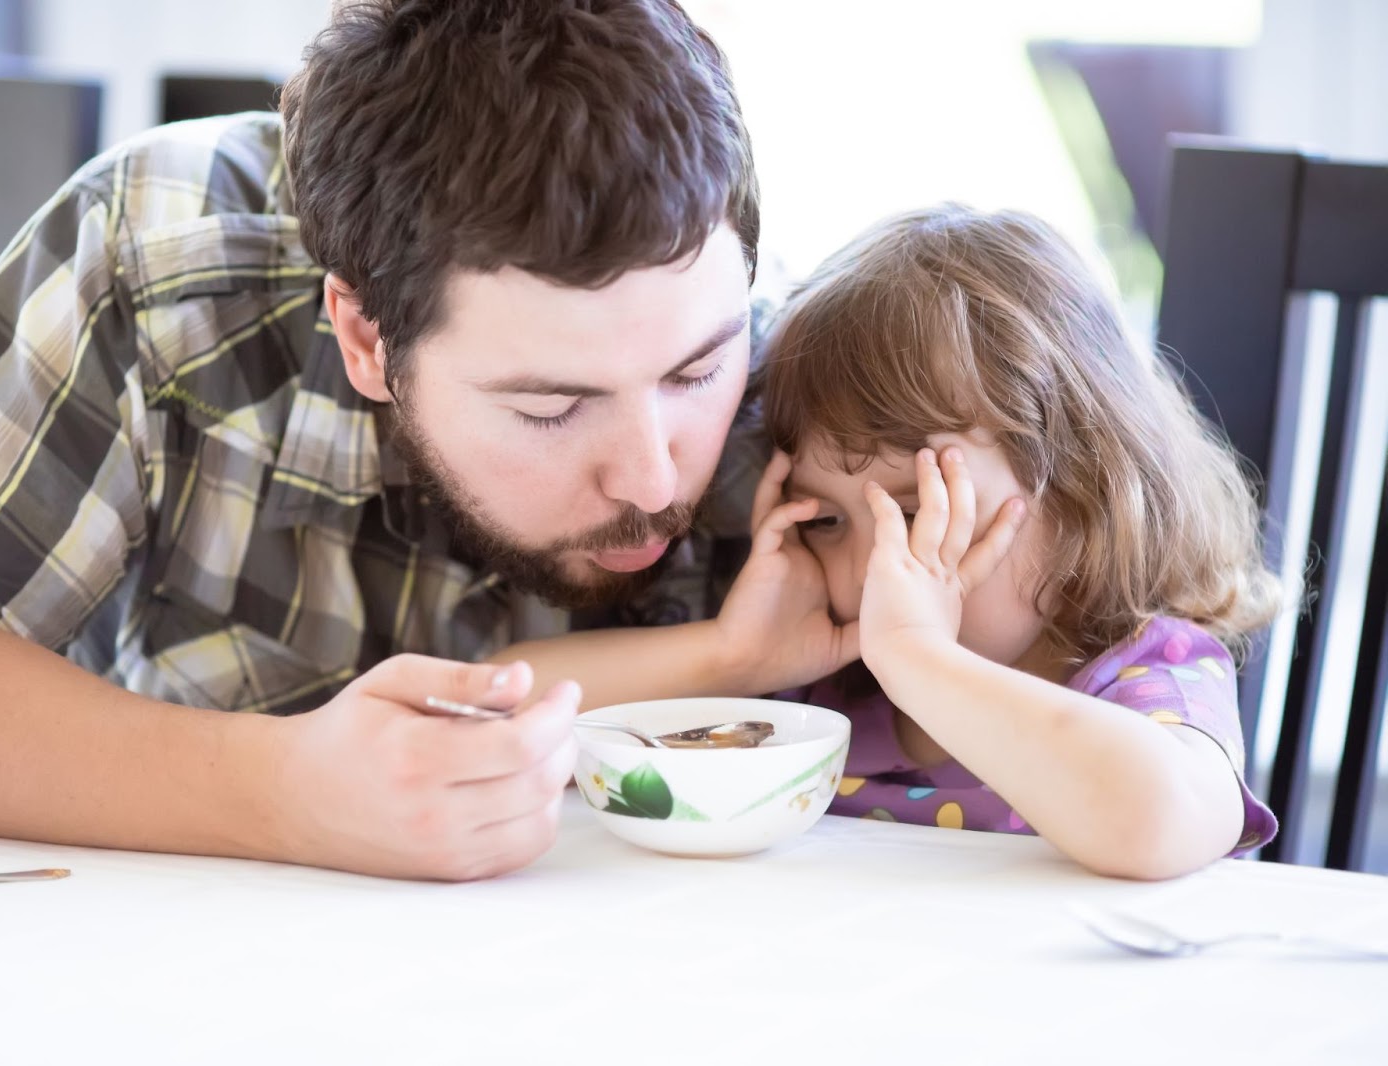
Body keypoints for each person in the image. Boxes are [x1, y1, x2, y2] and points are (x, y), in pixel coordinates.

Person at [0, 0, 768, 881]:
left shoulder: (798, 370)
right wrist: (285, 787)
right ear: (363, 337)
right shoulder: (160, 260)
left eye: (695, 371)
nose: (651, 478)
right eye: (551, 407)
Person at [506, 205, 1282, 880]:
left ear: (1085, 485)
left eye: (916, 512)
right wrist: (732, 655)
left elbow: (1158, 824)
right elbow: (505, 711)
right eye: (829, 522)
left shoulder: (1148, 676)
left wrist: (923, 660)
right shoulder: (828, 698)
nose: (876, 571)